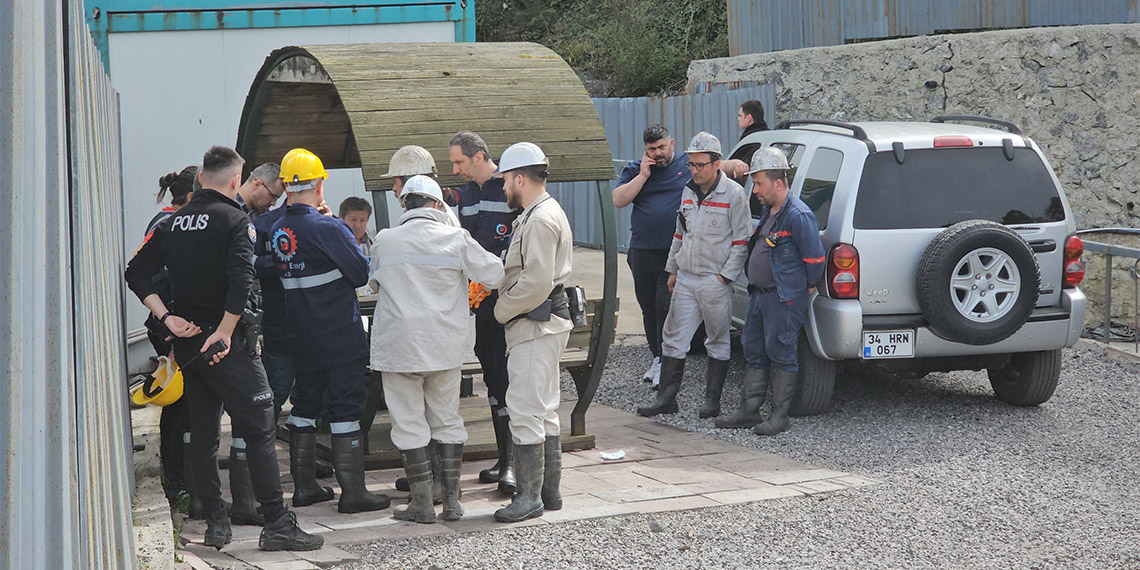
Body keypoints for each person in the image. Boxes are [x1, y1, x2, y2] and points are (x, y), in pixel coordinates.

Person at [125, 145, 323, 552]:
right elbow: (240, 279)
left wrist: (167, 319)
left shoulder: (171, 223)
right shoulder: (235, 220)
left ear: (200, 179)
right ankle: (277, 523)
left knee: (204, 433)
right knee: (261, 427)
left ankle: (216, 521)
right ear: (236, 181)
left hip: (190, 344)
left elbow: (136, 272)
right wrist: (228, 331)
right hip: (227, 344)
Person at [368, 175, 504, 523]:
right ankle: (454, 502)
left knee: (408, 422)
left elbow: (371, 282)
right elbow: (494, 273)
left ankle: (422, 504)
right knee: (446, 419)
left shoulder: (385, 240)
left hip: (399, 348)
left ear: (406, 206)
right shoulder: (456, 238)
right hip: (444, 346)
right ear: (437, 205)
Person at [270, 148, 390, 514]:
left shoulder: (278, 228)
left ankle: (305, 487)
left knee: (304, 405)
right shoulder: (329, 227)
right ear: (319, 182)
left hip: (299, 333)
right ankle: (353, 494)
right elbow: (360, 274)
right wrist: (338, 230)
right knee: (345, 408)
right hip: (338, 333)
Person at [637, 132, 751, 419]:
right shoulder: (688, 191)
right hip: (686, 277)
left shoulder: (735, 195)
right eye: (691, 165)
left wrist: (725, 278)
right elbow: (680, 233)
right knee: (673, 338)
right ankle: (666, 398)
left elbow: (741, 243)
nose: (695, 170)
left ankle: (712, 402)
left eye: (700, 165)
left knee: (717, 340)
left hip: (714, 280)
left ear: (716, 163)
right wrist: (672, 270)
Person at [717, 148, 825, 436]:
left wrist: (804, 287)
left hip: (783, 297)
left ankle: (779, 417)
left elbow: (814, 261)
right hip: (761, 294)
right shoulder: (770, 212)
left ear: (778, 183)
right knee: (753, 349)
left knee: (781, 352)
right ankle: (749, 411)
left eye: (759, 183)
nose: (754, 191)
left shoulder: (798, 216)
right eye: (754, 184)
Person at [491, 142, 572, 524]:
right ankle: (548, 491)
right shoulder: (540, 212)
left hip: (535, 325)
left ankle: (528, 498)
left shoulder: (538, 219)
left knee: (524, 410)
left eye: (505, 179)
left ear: (520, 178)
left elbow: (536, 282)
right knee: (544, 409)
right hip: (547, 324)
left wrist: (501, 309)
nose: (503, 186)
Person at [448, 130, 520, 494]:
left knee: (508, 380)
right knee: (493, 378)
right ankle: (503, 458)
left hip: (506, 300)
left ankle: (514, 464)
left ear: (479, 157)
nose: (456, 170)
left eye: (459, 162)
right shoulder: (464, 196)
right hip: (477, 305)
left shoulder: (507, 187)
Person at [612, 125, 691, 388]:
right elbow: (619, 200)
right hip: (642, 250)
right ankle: (657, 357)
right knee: (648, 308)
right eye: (651, 149)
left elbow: (715, 168)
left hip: (672, 252)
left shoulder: (685, 163)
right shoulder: (636, 169)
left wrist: (735, 164)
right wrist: (643, 176)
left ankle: (667, 362)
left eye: (661, 147)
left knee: (664, 306)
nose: (657, 153)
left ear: (672, 142)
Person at [141, 166, 197, 511]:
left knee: (180, 406)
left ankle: (178, 473)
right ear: (190, 198)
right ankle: (178, 479)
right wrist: (169, 329)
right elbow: (163, 281)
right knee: (181, 405)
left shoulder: (163, 219)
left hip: (164, 325)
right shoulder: (169, 225)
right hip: (169, 327)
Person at [383, 144, 461, 227]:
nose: (394, 188)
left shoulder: (430, 218)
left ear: (410, 182)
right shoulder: (437, 212)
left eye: (395, 181)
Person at [720, 100, 772, 214]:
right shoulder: (769, 137)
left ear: (749, 118)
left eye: (740, 115)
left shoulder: (751, 141)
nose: (738, 119)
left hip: (751, 206)